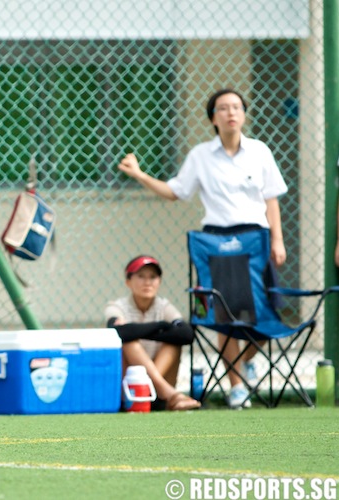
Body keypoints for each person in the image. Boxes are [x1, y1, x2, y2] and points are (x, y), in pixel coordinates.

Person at [117, 88, 288, 409]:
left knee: (267, 316)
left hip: (256, 240)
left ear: (244, 114)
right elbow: (175, 191)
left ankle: (246, 362)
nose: (231, 113)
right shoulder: (200, 156)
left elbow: (271, 199)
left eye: (236, 107)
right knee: (225, 317)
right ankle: (236, 386)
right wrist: (139, 174)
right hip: (217, 243)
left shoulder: (260, 151)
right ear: (213, 118)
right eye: (223, 108)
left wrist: (277, 239)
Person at [105, 255, 200, 411]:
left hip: (158, 389)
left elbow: (186, 334)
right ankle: (171, 394)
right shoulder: (116, 306)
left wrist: (135, 330)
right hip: (130, 389)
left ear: (159, 282)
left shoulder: (164, 307)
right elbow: (117, 332)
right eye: (141, 276)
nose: (147, 282)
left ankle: (155, 388)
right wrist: (162, 326)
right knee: (129, 342)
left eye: (153, 277)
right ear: (128, 281)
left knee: (173, 343)